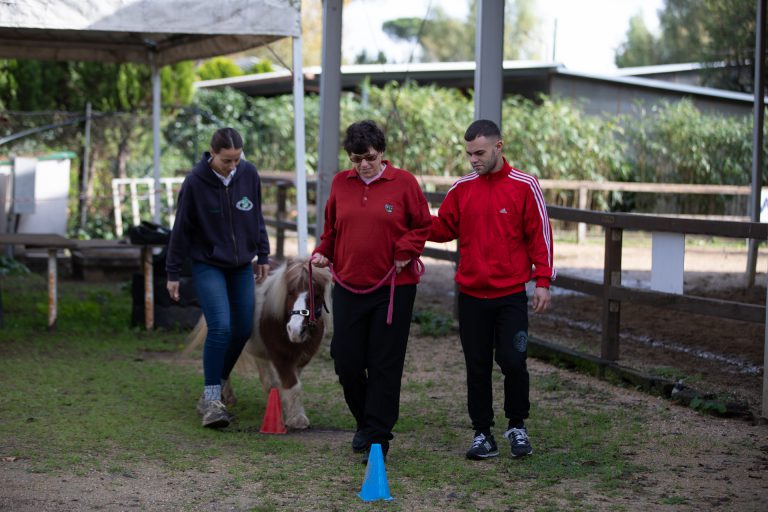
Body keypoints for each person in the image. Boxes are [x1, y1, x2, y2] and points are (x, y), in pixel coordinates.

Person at [429, 119, 555, 460]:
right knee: (477, 366)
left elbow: (540, 235)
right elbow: (443, 228)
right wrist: (410, 219)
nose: (474, 160)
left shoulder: (525, 185)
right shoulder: (461, 188)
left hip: (510, 296)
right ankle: (482, 433)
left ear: (499, 147)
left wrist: (543, 281)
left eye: (480, 153)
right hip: (471, 297)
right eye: (469, 154)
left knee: (513, 362)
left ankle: (517, 426)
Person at [311, 120, 431, 459]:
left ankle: (378, 436)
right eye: (356, 158)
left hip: (393, 288)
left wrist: (406, 250)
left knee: (383, 363)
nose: (363, 165)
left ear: (382, 153)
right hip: (349, 285)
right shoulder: (340, 183)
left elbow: (423, 225)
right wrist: (323, 252)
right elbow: (332, 230)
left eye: (370, 157)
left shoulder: (404, 183)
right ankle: (365, 421)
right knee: (346, 361)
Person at [166, 127, 271, 429]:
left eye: (237, 159)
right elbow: (181, 230)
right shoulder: (195, 183)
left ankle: (219, 382)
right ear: (212, 154)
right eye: (227, 160)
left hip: (241, 265)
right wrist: (173, 273)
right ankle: (212, 401)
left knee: (242, 328)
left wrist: (263, 254)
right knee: (221, 327)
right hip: (207, 264)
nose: (233, 166)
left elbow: (257, 216)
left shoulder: (249, 174)